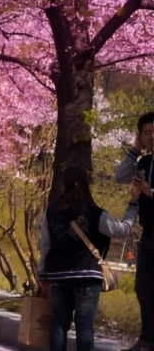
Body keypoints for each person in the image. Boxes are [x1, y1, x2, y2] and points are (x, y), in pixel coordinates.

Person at [39, 165, 139, 351]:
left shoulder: (51, 212)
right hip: (86, 275)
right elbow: (122, 230)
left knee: (59, 323)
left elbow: (45, 244)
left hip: (59, 276)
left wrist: (42, 274)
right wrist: (133, 205)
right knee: (84, 327)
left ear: (65, 184)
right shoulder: (95, 213)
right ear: (87, 184)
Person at [116, 112, 154, 351]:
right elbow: (119, 176)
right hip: (149, 234)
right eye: (147, 133)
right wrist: (135, 149)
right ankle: (147, 339)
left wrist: (151, 193)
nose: (152, 138)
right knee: (144, 287)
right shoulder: (145, 163)